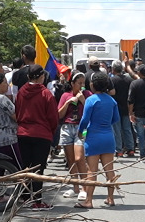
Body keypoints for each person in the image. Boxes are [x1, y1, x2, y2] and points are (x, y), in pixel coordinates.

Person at [15, 64, 58, 209]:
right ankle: (37, 201)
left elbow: (17, 111)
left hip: (23, 132)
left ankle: (25, 197)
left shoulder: (21, 91)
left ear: (28, 77)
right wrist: (50, 133)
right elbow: (53, 117)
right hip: (41, 134)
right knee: (38, 168)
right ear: (42, 76)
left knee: (25, 167)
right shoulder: (46, 93)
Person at [76, 72, 120, 208]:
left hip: (94, 137)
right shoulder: (112, 101)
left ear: (92, 85)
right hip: (108, 137)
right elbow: (116, 119)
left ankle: (88, 201)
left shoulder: (91, 100)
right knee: (109, 170)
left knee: (92, 171)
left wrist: (80, 132)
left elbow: (84, 120)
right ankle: (111, 198)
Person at [57, 72, 90, 200]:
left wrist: (83, 100)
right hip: (67, 127)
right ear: (72, 84)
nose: (82, 86)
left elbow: (91, 110)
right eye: (79, 83)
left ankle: (84, 188)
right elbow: (59, 114)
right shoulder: (65, 95)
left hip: (82, 128)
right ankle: (75, 187)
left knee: (79, 158)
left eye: (83, 83)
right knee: (70, 160)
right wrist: (68, 103)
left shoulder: (87, 95)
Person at [110, 61, 135, 157]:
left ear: (113, 69)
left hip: (115, 107)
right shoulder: (129, 80)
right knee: (127, 129)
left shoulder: (112, 80)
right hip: (127, 107)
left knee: (117, 130)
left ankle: (119, 150)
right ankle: (130, 149)